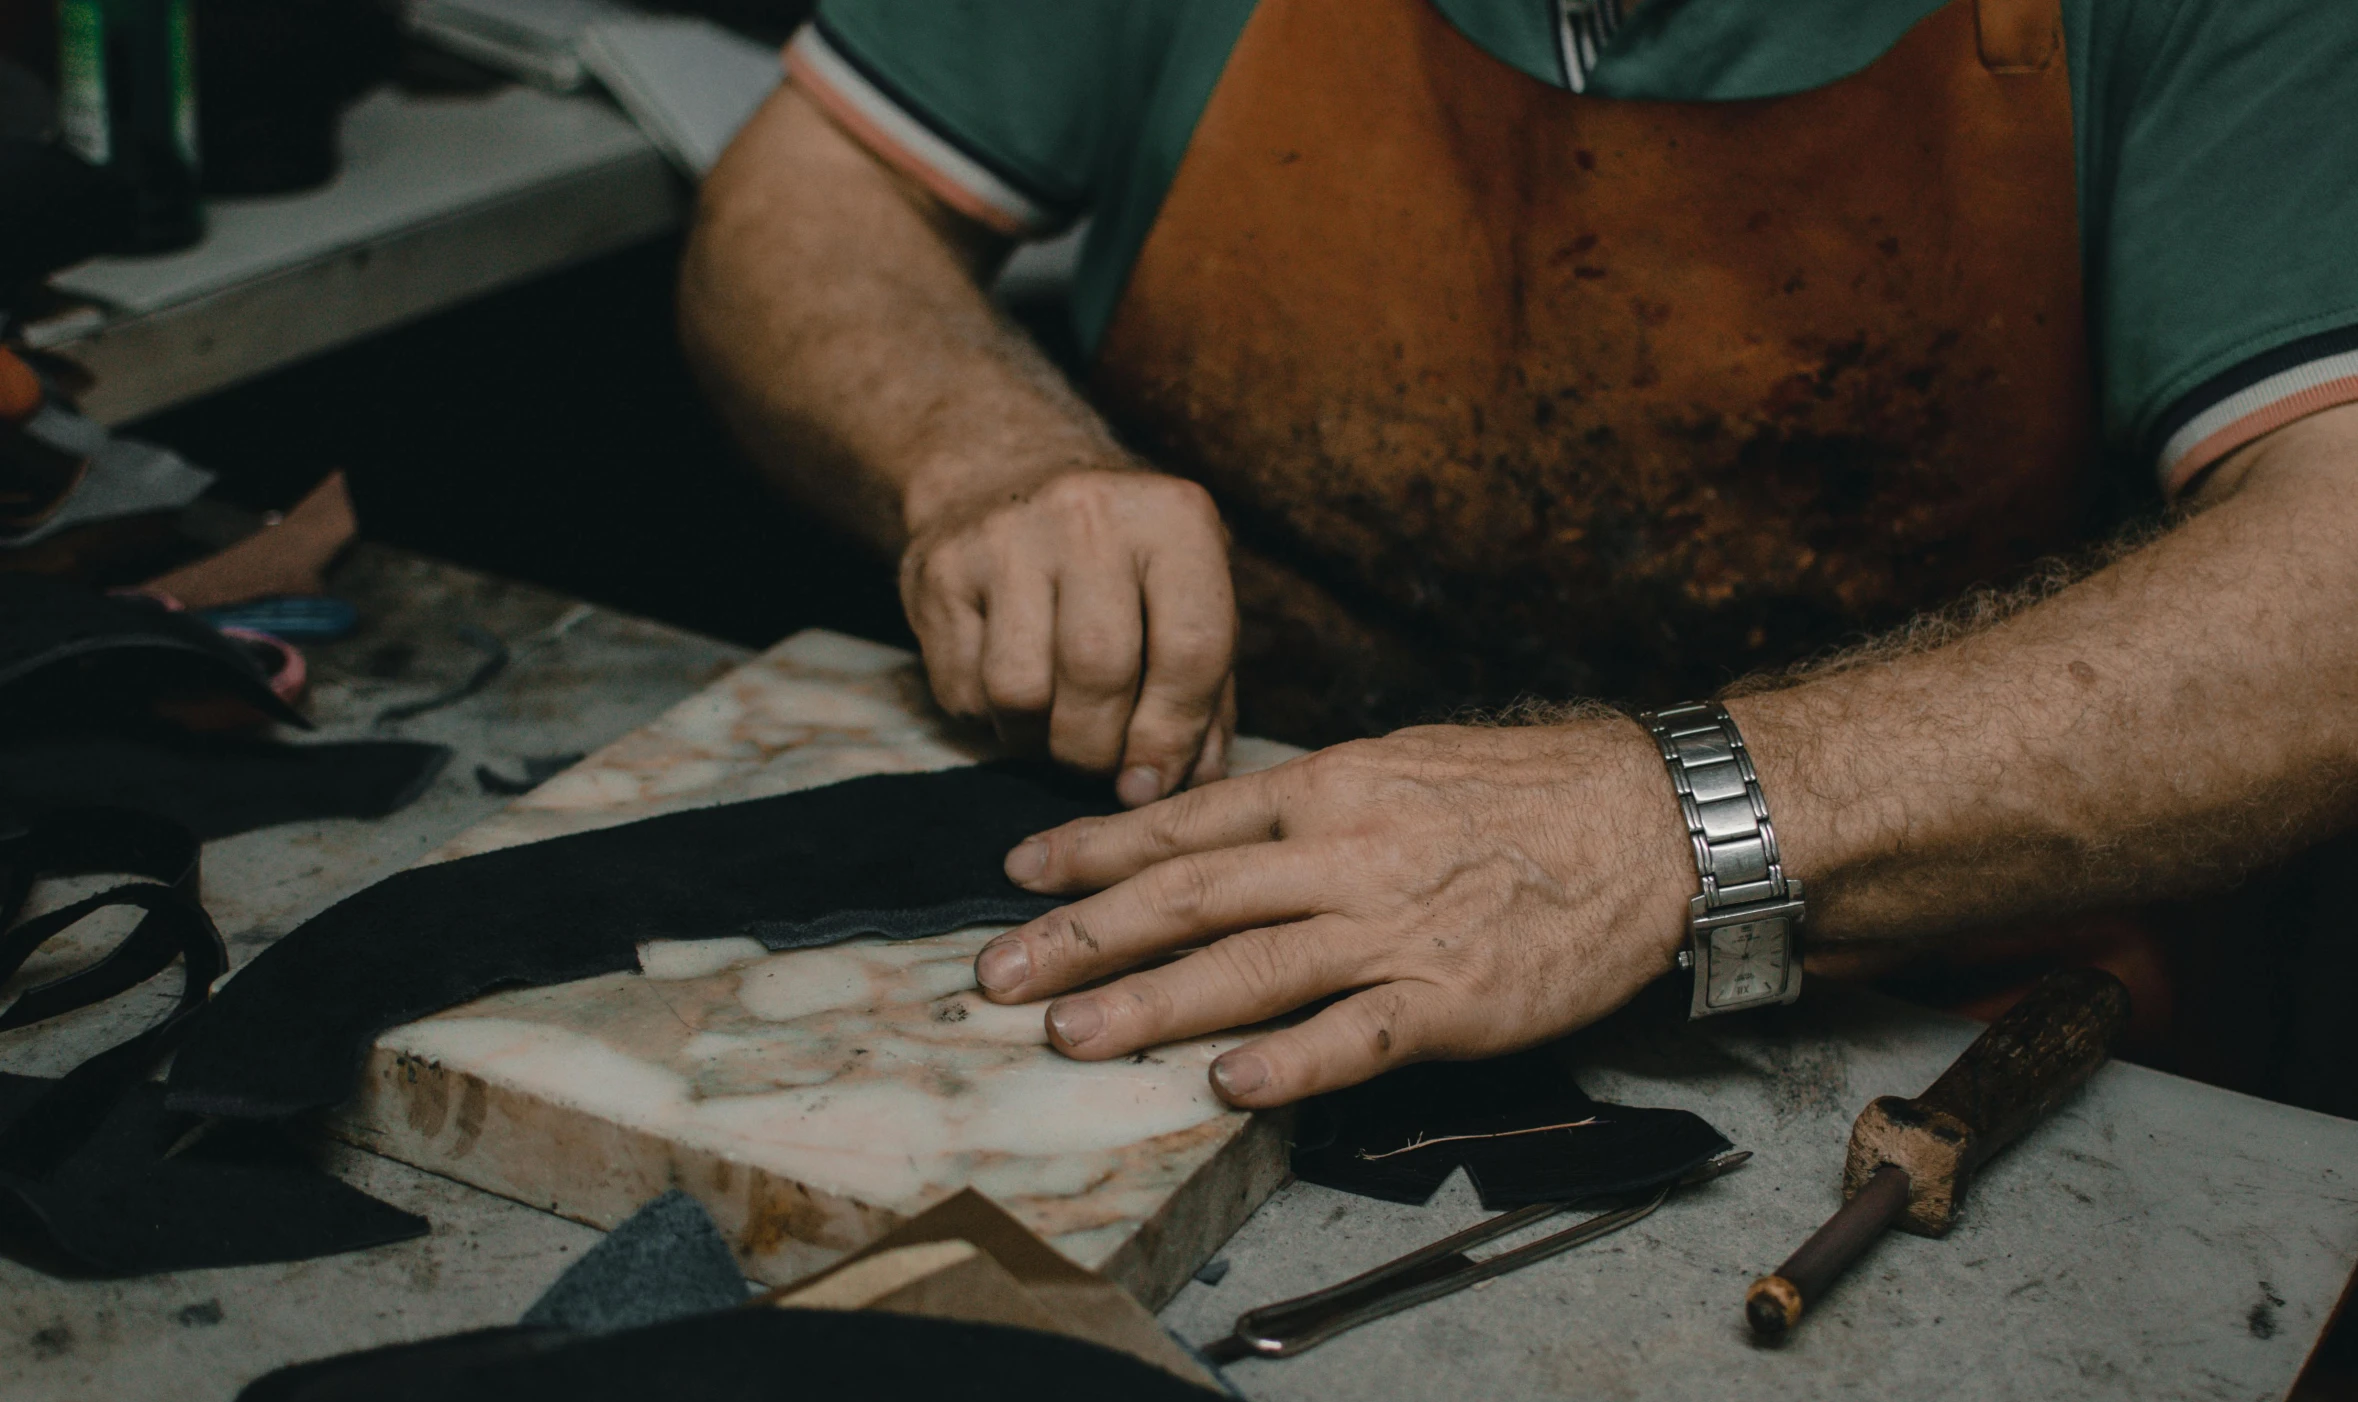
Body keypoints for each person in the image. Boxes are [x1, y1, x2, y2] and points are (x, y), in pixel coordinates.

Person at [680, 0, 2358, 1112]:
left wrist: (1661, 821)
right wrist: (982, 447)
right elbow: (806, 196)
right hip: (1211, 864)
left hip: (1901, 1011)